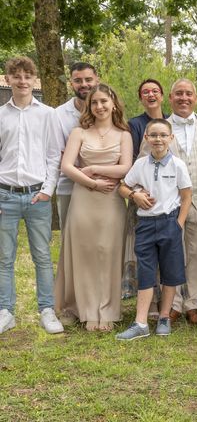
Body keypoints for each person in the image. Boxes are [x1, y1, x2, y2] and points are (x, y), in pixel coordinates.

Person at [54, 84, 133, 331]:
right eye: (95, 102)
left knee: (109, 252)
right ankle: (86, 310)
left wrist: (94, 169)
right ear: (89, 106)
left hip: (111, 202)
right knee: (84, 253)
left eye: (104, 102)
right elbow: (67, 166)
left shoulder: (124, 135)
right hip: (83, 198)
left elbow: (126, 168)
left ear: (113, 104)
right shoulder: (79, 133)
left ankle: (108, 310)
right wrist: (91, 182)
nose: (99, 107)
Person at [0, 56, 64, 335]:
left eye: (28, 76)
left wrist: (48, 190)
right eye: (17, 76)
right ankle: (6, 311)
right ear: (8, 80)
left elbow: (54, 156)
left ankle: (47, 310)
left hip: (38, 196)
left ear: (34, 79)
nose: (22, 81)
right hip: (5, 195)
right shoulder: (1, 115)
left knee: (41, 255)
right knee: (4, 258)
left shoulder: (48, 114)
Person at [115, 119, 192, 340]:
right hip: (146, 225)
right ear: (146, 138)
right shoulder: (140, 165)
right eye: (154, 135)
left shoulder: (178, 165)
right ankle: (140, 323)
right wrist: (134, 195)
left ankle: (164, 317)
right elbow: (123, 186)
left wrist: (179, 224)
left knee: (170, 272)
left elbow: (186, 196)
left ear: (171, 138)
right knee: (146, 271)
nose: (158, 139)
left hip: (170, 223)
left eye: (163, 135)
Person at [159, 78, 197, 325]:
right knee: (172, 254)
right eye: (178, 94)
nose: (184, 98)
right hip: (170, 204)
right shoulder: (160, 126)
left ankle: (193, 304)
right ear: (171, 98)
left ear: (196, 98)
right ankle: (172, 304)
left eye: (188, 94)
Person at [122, 79, 168, 301]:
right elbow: (131, 161)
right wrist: (138, 193)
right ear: (141, 97)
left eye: (155, 91)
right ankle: (147, 300)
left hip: (169, 196)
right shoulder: (134, 125)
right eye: (145, 92)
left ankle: (168, 300)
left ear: (162, 95)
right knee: (145, 250)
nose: (151, 95)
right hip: (143, 196)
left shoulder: (172, 121)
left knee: (168, 250)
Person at [54, 62, 100, 230]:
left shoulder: (106, 111)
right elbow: (58, 154)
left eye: (88, 79)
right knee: (70, 240)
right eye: (78, 80)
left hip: (104, 187)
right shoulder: (58, 114)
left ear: (97, 80)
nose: (84, 84)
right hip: (69, 187)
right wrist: (87, 175)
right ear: (71, 83)